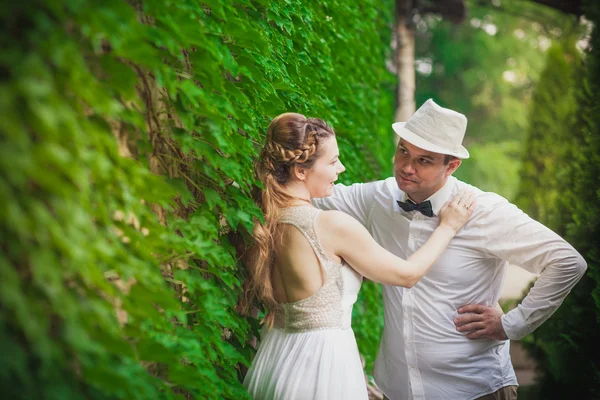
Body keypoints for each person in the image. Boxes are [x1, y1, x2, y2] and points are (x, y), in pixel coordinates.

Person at [312, 99, 588, 400]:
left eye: (424, 160)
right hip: (396, 389)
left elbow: (567, 262)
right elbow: (306, 196)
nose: (406, 167)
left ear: (452, 166)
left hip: (473, 389)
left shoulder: (485, 211)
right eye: (403, 150)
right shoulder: (377, 197)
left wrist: (512, 324)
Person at [240, 112, 476, 400]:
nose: (341, 168)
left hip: (276, 356)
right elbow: (407, 274)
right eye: (332, 161)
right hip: (323, 362)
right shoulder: (330, 224)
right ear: (301, 171)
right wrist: (448, 226)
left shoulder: (267, 218)